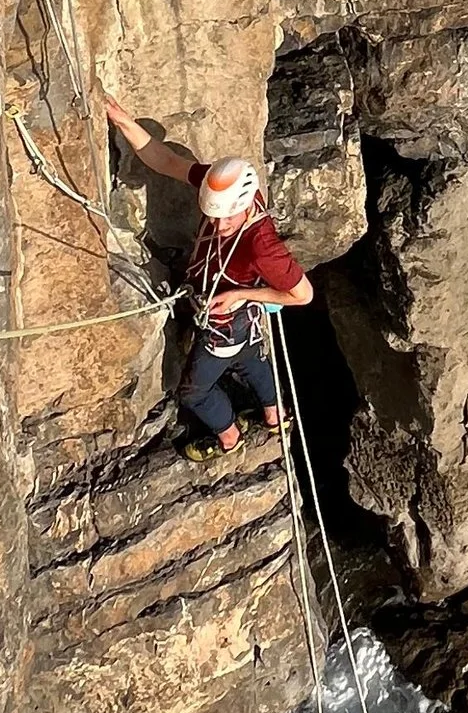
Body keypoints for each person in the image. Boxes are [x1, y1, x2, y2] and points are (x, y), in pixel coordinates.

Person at [102, 95, 313, 459]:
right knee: (251, 359)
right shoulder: (221, 185)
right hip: (242, 320)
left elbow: (303, 295)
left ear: (245, 207)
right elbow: (166, 161)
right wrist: (124, 123)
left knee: (193, 393)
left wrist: (242, 297)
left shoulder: (262, 246)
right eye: (213, 217)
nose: (217, 226)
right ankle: (275, 414)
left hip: (226, 320)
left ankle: (229, 437)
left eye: (227, 220)